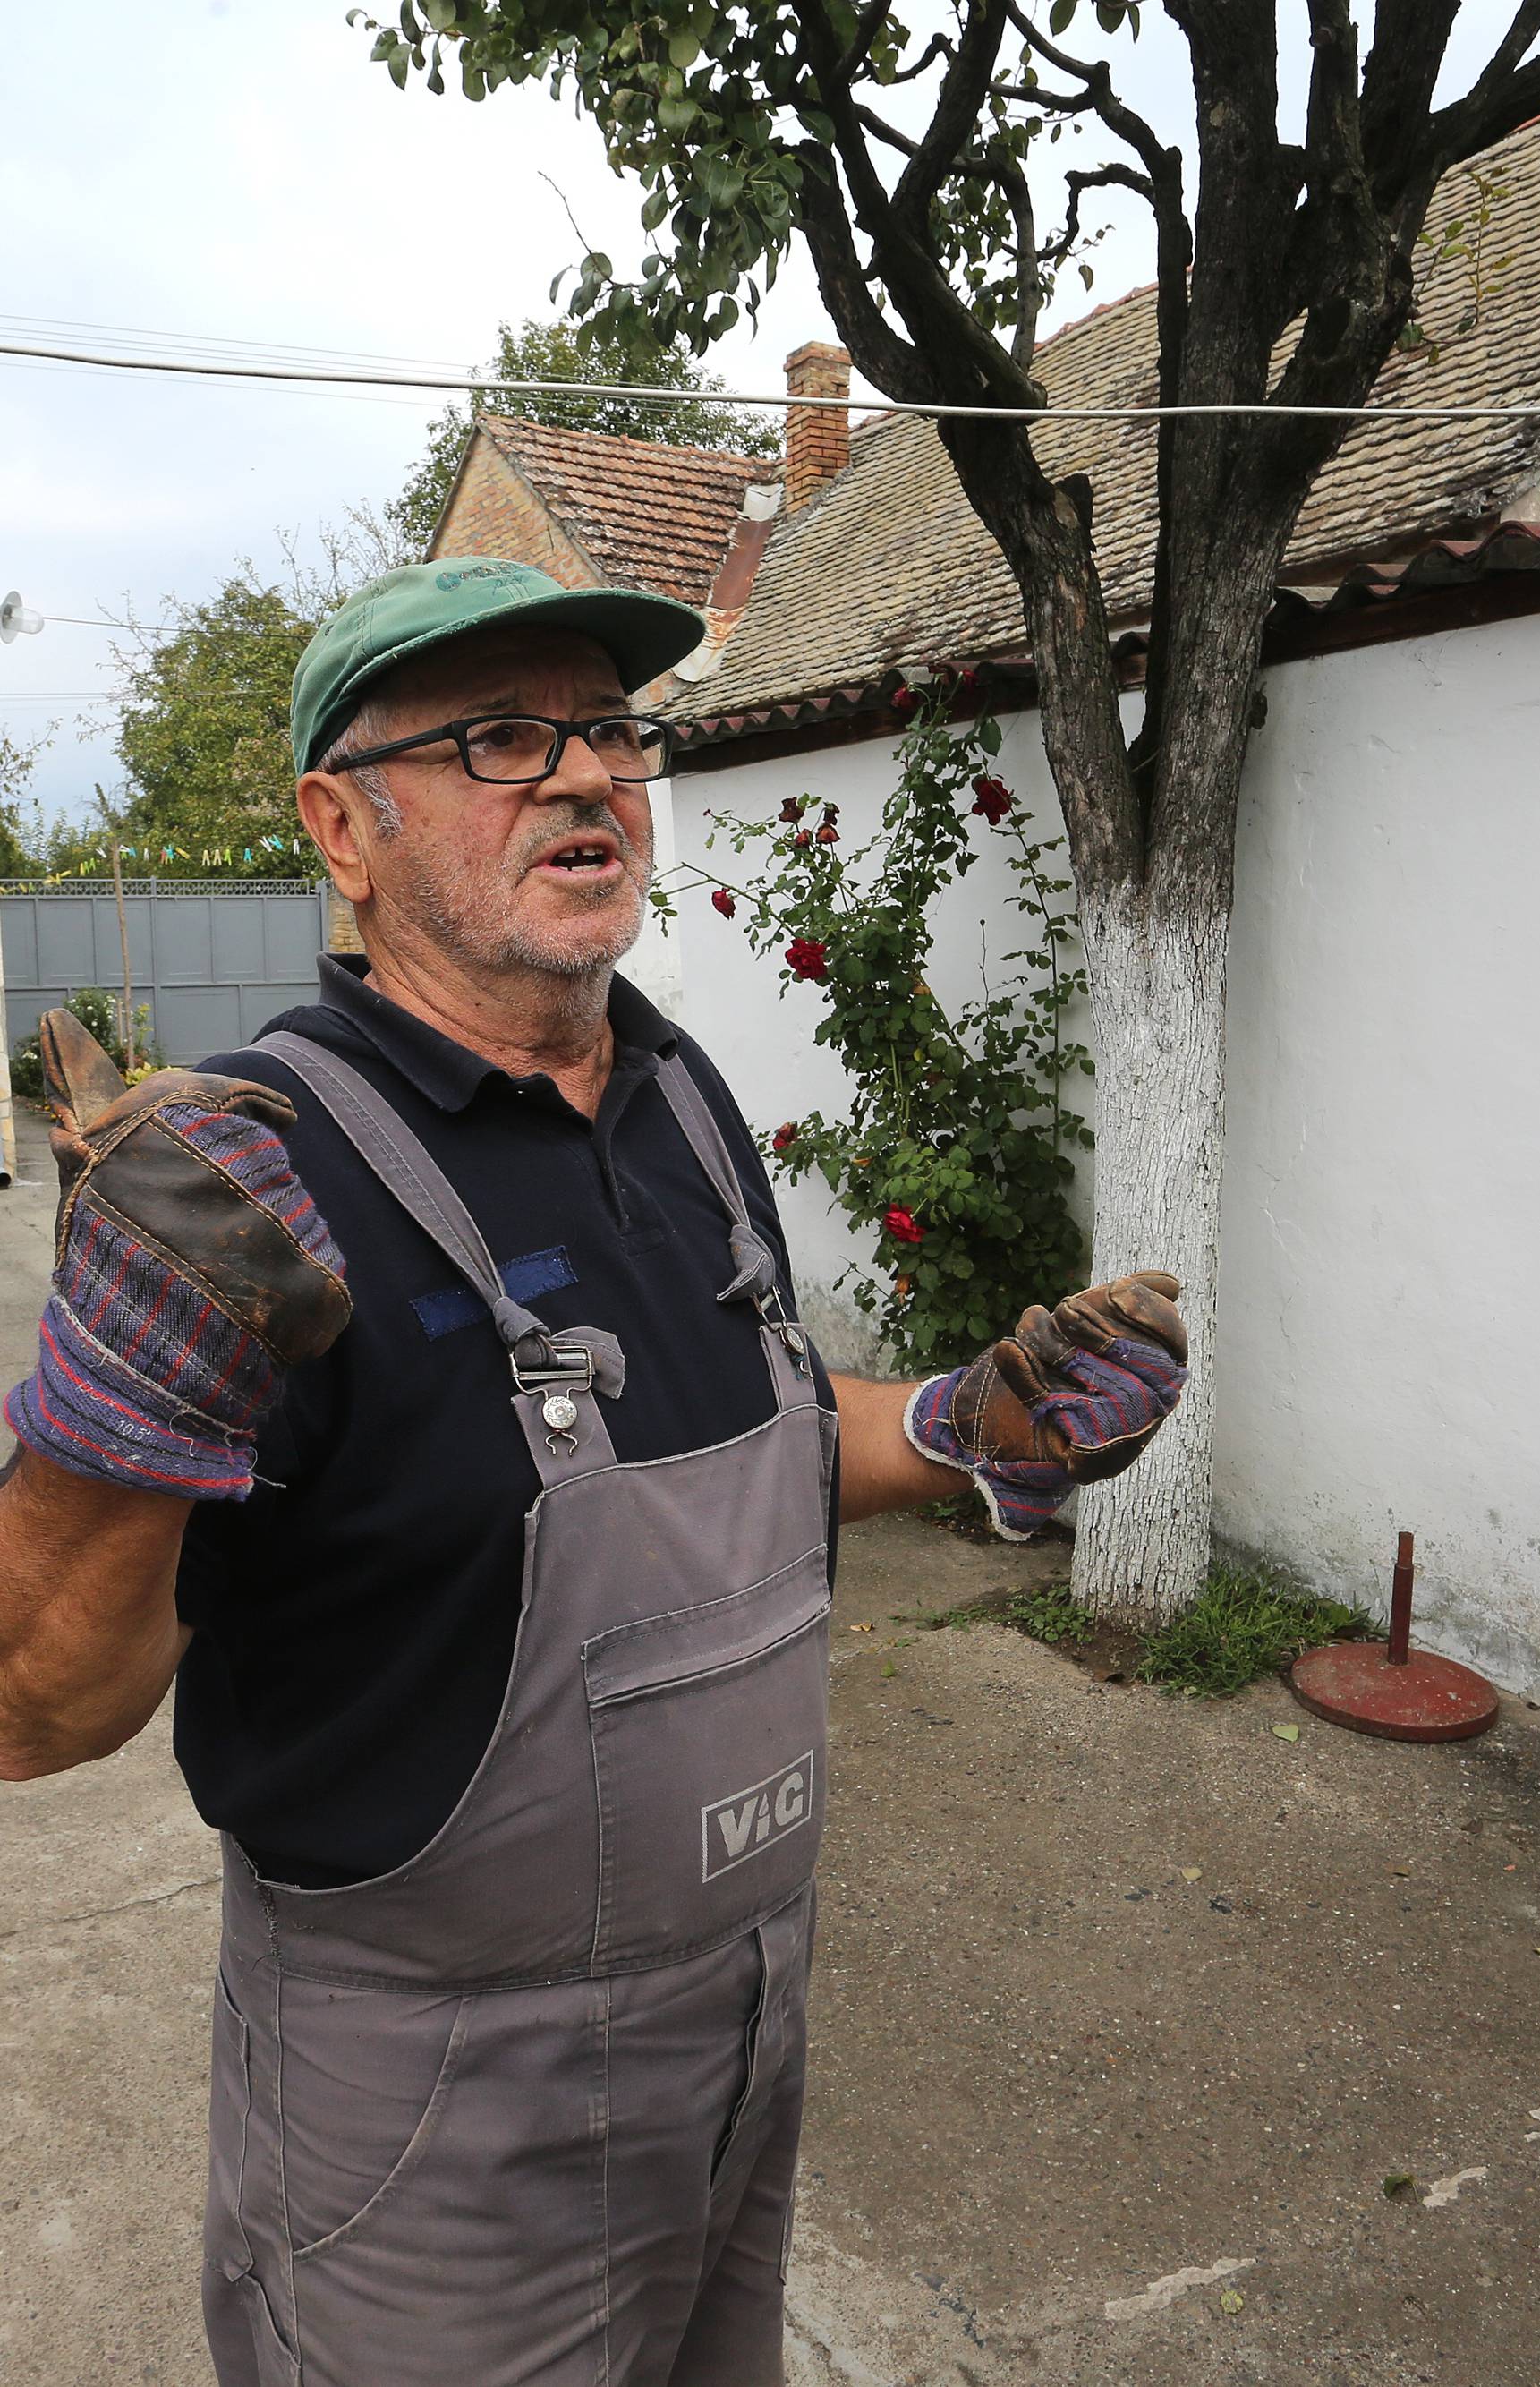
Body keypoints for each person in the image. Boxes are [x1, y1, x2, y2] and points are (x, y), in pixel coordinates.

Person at [0, 557, 1188, 2387]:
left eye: (611, 728)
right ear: (345, 825)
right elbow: (34, 1703)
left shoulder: (683, 1102)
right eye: (498, 736)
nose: (584, 776)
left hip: (744, 2035)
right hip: (430, 2120)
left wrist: (965, 1422)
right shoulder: (258, 1176)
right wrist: (108, 1421)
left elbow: (761, 1437)